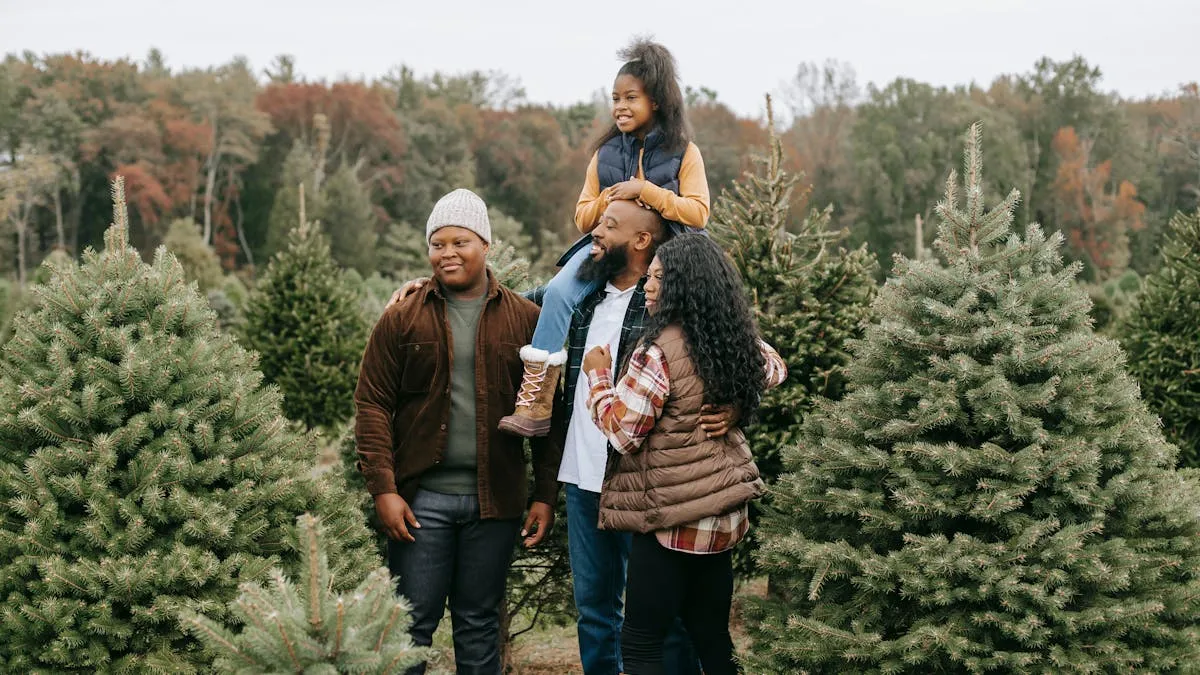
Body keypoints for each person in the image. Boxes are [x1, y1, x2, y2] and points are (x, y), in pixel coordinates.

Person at [384, 200, 722, 675]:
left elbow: (738, 349)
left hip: (642, 479)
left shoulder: (669, 302)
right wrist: (426, 288)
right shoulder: (582, 295)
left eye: (608, 226)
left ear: (642, 240)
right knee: (595, 612)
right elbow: (494, 303)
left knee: (659, 618)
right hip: (583, 478)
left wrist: (735, 403)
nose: (593, 235)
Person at [354, 188, 562, 675]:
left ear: (485, 244)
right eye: (437, 243)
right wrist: (384, 489)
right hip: (422, 502)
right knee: (410, 627)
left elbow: (550, 416)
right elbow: (373, 405)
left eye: (460, 242)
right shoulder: (401, 316)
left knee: (477, 623)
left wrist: (545, 495)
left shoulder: (527, 320)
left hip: (495, 503)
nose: (447, 253)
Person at [582, 234, 787, 675]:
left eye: (659, 278)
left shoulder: (656, 352)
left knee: (640, 642)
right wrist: (737, 402)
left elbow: (622, 432)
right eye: (648, 276)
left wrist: (597, 378)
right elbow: (774, 367)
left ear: (684, 284)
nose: (648, 286)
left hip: (672, 520)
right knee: (711, 633)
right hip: (721, 518)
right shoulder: (727, 335)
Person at [497, 37, 711, 439]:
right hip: (607, 250)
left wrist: (646, 192)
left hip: (669, 254)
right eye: (615, 98)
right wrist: (611, 199)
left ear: (658, 102)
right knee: (559, 292)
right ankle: (536, 400)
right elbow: (582, 216)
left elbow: (698, 213)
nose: (620, 107)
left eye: (631, 97)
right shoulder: (606, 153)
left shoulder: (685, 152)